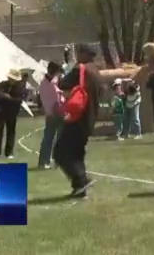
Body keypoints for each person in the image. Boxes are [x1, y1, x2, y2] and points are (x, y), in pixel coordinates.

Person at [55, 43, 101, 198]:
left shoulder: (80, 69)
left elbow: (63, 83)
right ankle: (80, 190)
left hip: (77, 117)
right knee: (76, 154)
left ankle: (82, 181)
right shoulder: (96, 72)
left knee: (61, 153)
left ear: (83, 54)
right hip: (89, 119)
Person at [0, 70, 25, 160]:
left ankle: (9, 152)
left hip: (12, 112)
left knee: (11, 132)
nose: (10, 80)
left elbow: (19, 100)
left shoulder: (20, 87)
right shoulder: (3, 84)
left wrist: (8, 98)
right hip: (1, 111)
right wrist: (4, 97)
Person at [37, 61, 64, 169]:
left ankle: (58, 160)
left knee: (59, 138)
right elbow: (47, 100)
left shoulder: (55, 81)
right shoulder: (45, 83)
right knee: (49, 138)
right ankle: (44, 161)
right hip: (52, 113)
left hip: (59, 112)